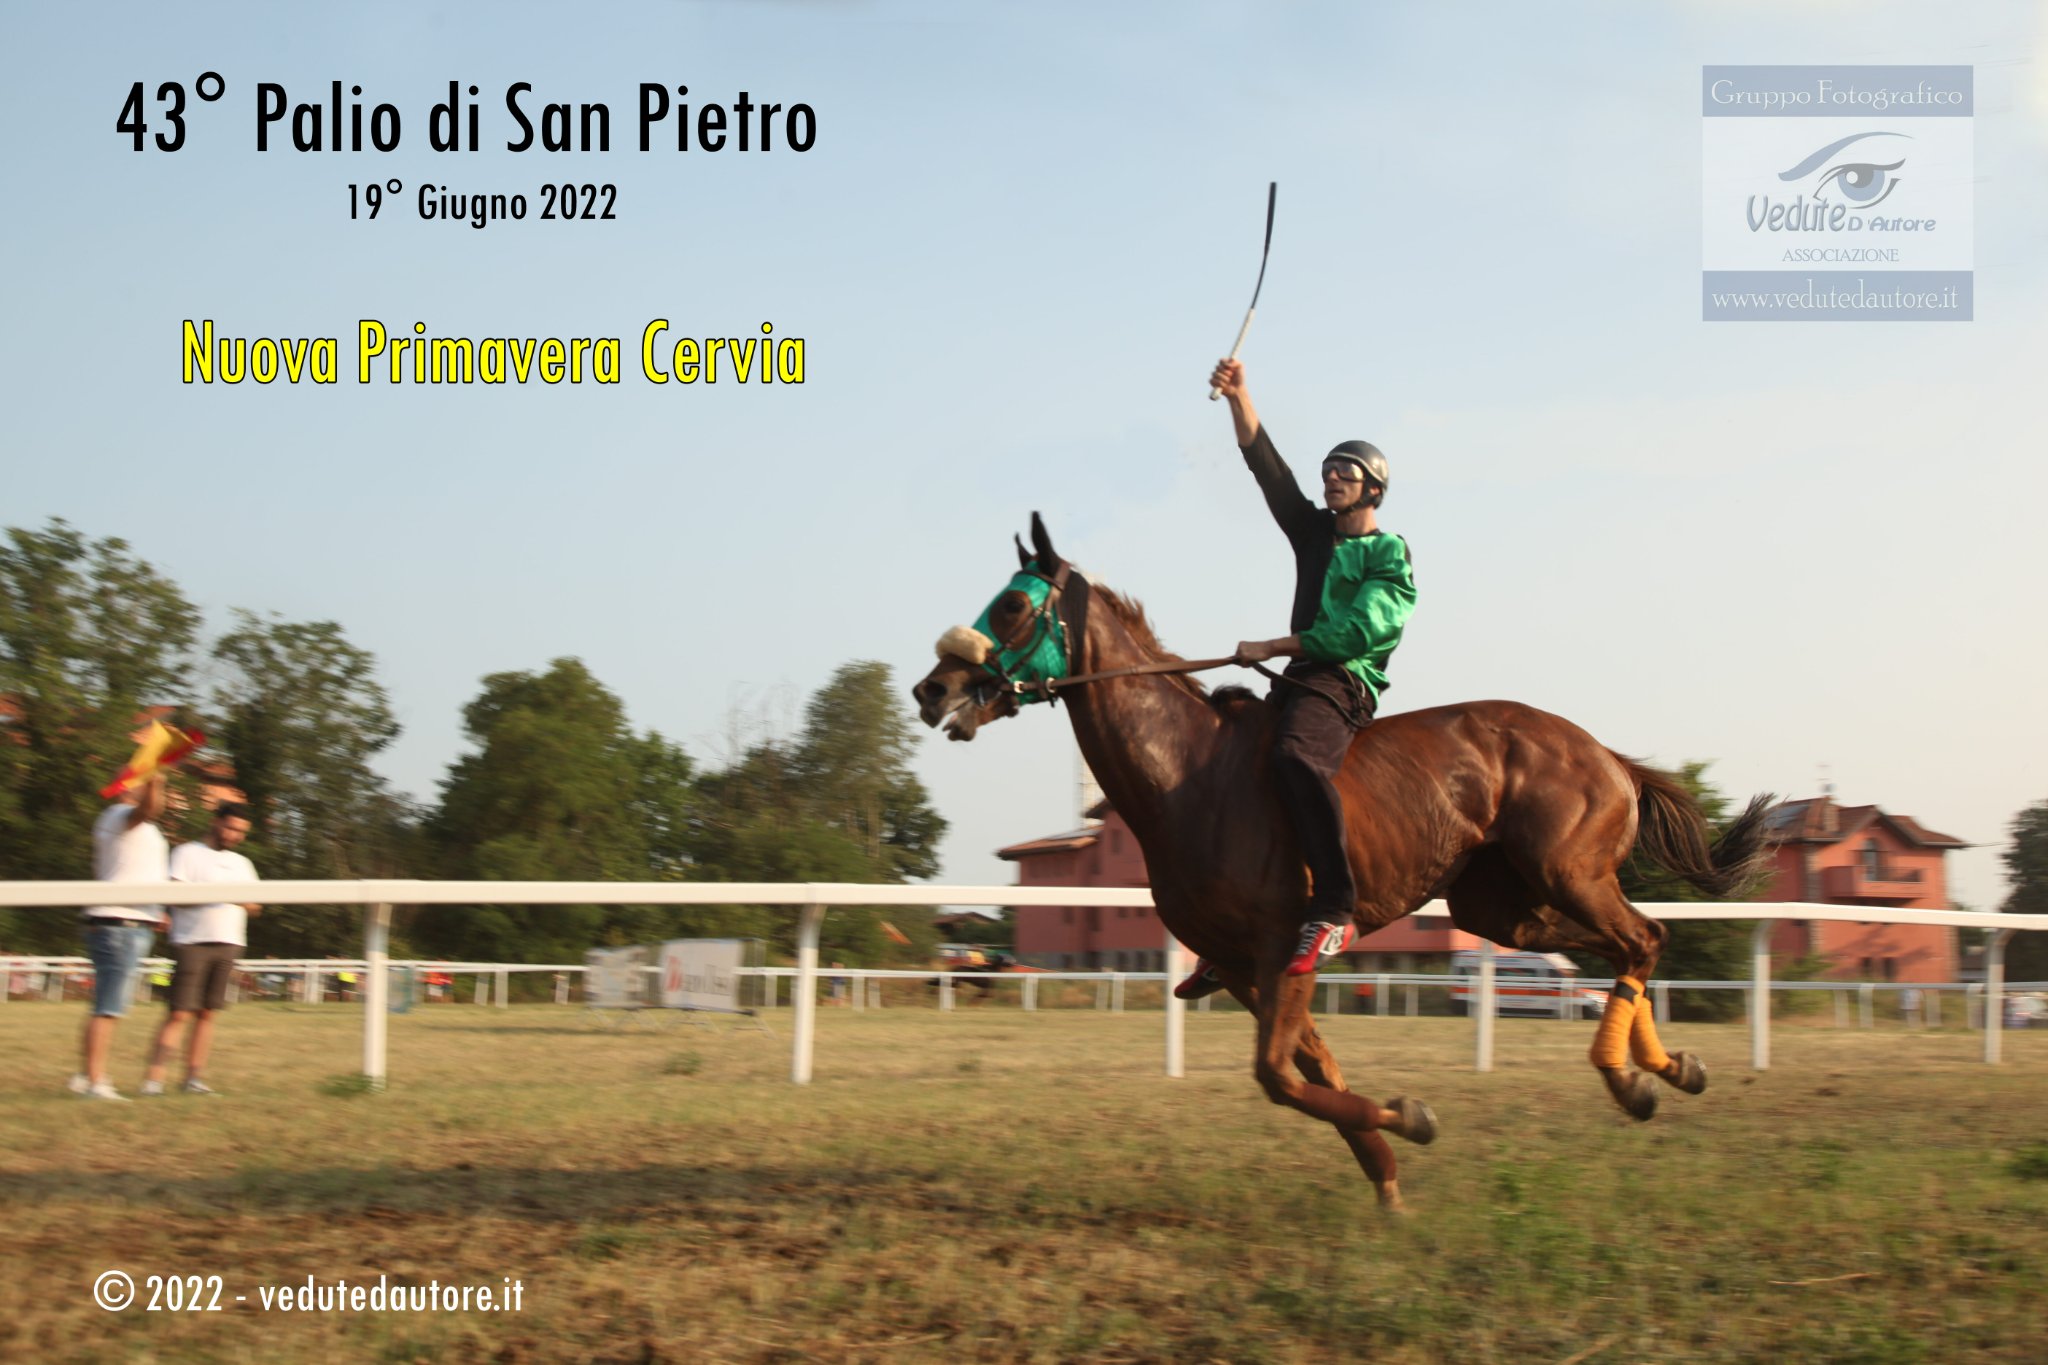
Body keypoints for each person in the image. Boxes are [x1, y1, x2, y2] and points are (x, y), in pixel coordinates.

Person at [1177, 358, 1418, 999]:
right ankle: (1231, 935)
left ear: (1373, 490)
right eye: (1328, 470)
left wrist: (1272, 644)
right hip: (1299, 677)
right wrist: (1240, 394)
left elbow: (1353, 636)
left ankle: (1336, 909)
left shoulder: (1390, 555)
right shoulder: (1313, 534)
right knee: (1230, 769)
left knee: (1293, 759)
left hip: (1343, 681)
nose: (1332, 477)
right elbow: (1268, 470)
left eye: (1347, 471)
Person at [141, 802, 260, 1096]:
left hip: (230, 942)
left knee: (208, 1014)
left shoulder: (242, 863)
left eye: (241, 832)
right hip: (191, 942)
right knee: (179, 1013)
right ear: (216, 822)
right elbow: (174, 896)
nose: (235, 835)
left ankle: (193, 1078)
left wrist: (237, 898)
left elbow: (256, 905)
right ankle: (154, 1080)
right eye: (231, 828)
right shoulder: (186, 853)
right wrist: (212, 892)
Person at [70, 772, 170, 1100]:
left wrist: (157, 910)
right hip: (119, 924)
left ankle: (87, 1076)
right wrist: (156, 781)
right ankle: (97, 1082)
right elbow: (150, 808)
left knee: (107, 1004)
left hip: (130, 921)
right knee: (109, 1007)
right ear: (130, 787)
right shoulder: (120, 815)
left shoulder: (138, 826)